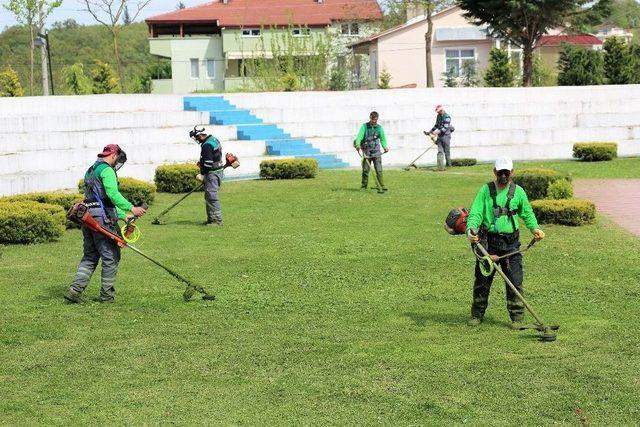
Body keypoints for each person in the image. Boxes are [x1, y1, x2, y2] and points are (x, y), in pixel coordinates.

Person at [466, 156, 545, 329]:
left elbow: (527, 213)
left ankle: (517, 318)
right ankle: (477, 315)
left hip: (511, 244)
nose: (503, 176)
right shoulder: (485, 191)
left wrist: (535, 229)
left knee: (515, 281)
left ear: (512, 172)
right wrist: (471, 230)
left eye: (506, 172)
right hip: (488, 242)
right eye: (500, 172)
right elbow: (476, 213)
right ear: (494, 172)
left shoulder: (519, 192)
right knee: (482, 281)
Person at [65, 144, 146, 303]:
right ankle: (107, 296)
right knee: (111, 255)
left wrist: (124, 216)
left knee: (90, 255)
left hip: (87, 216)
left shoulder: (91, 170)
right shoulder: (107, 170)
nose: (117, 164)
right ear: (114, 155)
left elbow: (99, 199)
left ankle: (74, 290)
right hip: (102, 219)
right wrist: (132, 208)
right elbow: (112, 194)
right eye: (117, 160)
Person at [192, 127, 225, 226]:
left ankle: (217, 220)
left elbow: (208, 163)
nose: (197, 139)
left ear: (201, 135)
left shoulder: (206, 145)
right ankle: (211, 219)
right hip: (218, 171)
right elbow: (214, 157)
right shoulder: (214, 139)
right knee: (209, 196)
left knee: (212, 197)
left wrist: (203, 174)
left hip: (211, 174)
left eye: (197, 137)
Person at [354, 111, 389, 193]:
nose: (374, 121)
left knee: (379, 170)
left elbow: (383, 139)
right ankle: (363, 186)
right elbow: (359, 137)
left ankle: (381, 185)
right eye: (373, 119)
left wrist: (385, 147)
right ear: (370, 117)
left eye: (376, 120)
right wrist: (358, 145)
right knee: (365, 170)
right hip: (367, 152)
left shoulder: (380, 128)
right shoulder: (364, 126)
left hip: (376, 151)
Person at [427, 104, 453, 171]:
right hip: (440, 136)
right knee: (440, 151)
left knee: (446, 151)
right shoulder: (438, 116)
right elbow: (436, 125)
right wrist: (430, 131)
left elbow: (445, 128)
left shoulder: (447, 117)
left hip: (446, 136)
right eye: (437, 112)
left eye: (438, 111)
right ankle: (440, 166)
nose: (438, 113)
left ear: (441, 110)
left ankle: (449, 165)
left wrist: (436, 133)